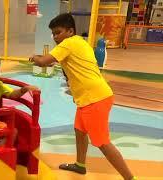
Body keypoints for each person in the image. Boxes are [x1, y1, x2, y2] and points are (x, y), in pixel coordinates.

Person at [29, 13, 136, 180]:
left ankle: (130, 178)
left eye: (58, 32)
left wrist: (34, 58)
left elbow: (43, 62)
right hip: (92, 96)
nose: (55, 37)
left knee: (102, 142)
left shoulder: (68, 43)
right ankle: (80, 165)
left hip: (94, 99)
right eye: (54, 34)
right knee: (79, 130)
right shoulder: (80, 42)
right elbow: (68, 63)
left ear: (70, 31)